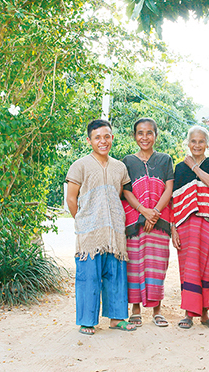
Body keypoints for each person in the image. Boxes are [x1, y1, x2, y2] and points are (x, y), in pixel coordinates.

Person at [65, 119, 137, 335]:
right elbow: (71, 198)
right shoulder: (80, 165)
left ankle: (117, 319)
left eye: (107, 137)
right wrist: (83, 221)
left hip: (114, 230)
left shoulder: (120, 167)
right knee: (89, 277)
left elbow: (124, 194)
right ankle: (87, 321)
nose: (102, 141)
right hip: (90, 234)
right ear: (89, 140)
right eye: (97, 137)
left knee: (115, 275)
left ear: (112, 138)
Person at [121, 118, 175, 328]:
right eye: (140, 133)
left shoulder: (165, 160)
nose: (145, 137)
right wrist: (143, 211)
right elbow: (126, 190)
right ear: (134, 136)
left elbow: (168, 189)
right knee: (133, 264)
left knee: (157, 265)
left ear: (155, 135)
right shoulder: (127, 161)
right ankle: (135, 309)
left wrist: (155, 214)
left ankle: (157, 310)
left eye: (149, 133)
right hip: (135, 222)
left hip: (159, 221)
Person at [173, 125, 209, 329]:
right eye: (193, 141)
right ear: (188, 143)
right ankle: (188, 313)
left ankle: (204, 314)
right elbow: (174, 201)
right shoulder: (179, 168)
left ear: (207, 143)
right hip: (185, 225)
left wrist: (193, 166)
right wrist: (173, 229)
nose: (196, 145)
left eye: (201, 141)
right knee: (188, 267)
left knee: (207, 267)